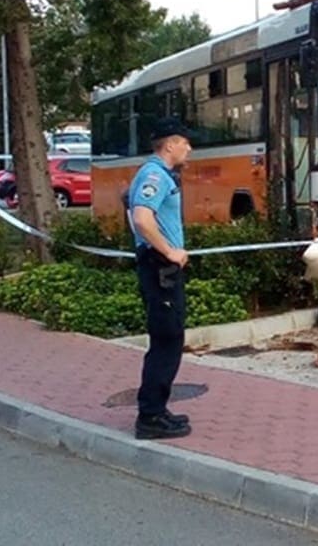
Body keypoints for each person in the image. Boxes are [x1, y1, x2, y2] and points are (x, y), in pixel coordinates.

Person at [128, 116, 194, 440]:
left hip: (161, 267)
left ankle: (157, 409)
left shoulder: (160, 174)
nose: (189, 149)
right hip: (159, 267)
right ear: (170, 145)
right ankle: (150, 416)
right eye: (185, 142)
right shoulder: (155, 175)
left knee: (169, 337)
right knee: (167, 339)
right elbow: (142, 219)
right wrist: (169, 251)